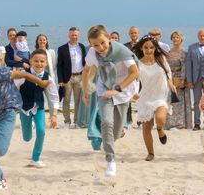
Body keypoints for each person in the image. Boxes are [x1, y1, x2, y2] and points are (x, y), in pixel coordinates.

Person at [0, 41, 50, 191]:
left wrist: (41, 83)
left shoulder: (3, 72)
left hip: (7, 113)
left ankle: (5, 135)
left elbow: (25, 74)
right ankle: (0, 179)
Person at [81, 25, 139, 177]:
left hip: (123, 90)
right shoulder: (93, 52)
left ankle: (108, 142)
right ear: (90, 44)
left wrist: (118, 89)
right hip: (104, 89)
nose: (100, 47)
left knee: (117, 132)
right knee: (107, 122)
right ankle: (110, 161)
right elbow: (87, 70)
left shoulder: (121, 51)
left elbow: (134, 72)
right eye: (95, 44)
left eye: (102, 43)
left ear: (108, 38)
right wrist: (86, 90)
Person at [132, 35, 175, 161]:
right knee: (146, 127)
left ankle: (160, 129)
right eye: (146, 47)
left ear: (155, 48)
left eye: (151, 47)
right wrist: (134, 92)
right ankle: (150, 153)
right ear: (141, 48)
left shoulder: (161, 59)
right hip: (145, 97)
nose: (149, 50)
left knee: (160, 119)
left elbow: (168, 72)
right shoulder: (138, 64)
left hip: (160, 95)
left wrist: (171, 83)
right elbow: (134, 80)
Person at [15, 49, 60, 168]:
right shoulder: (23, 75)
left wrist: (54, 116)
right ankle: (27, 131)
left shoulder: (48, 78)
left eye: (42, 61)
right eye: (36, 61)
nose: (39, 63)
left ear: (46, 63)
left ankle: (35, 159)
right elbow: (13, 88)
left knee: (41, 131)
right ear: (30, 61)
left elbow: (54, 98)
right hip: (24, 108)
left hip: (39, 107)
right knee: (27, 137)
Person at [57, 27, 87, 128]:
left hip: (79, 77)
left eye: (76, 35)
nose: (74, 37)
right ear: (69, 35)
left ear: (78, 36)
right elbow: (59, 65)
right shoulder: (62, 48)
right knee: (66, 100)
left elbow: (85, 62)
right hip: (67, 78)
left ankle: (77, 121)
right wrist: (60, 80)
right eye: (72, 35)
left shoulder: (82, 47)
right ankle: (67, 122)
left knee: (78, 100)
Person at [166, 31, 192, 130]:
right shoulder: (168, 53)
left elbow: (186, 67)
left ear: (181, 39)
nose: (175, 39)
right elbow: (166, 67)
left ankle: (181, 124)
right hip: (171, 78)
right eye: (173, 37)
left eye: (177, 37)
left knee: (181, 101)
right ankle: (171, 124)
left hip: (181, 77)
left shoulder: (185, 53)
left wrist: (183, 80)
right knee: (171, 100)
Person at [35, 33, 59, 125]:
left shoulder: (51, 52)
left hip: (49, 78)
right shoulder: (35, 53)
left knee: (51, 100)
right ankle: (35, 121)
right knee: (37, 99)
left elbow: (53, 66)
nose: (42, 41)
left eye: (44, 39)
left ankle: (53, 120)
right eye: (40, 39)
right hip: (37, 79)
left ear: (46, 41)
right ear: (37, 41)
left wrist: (49, 77)